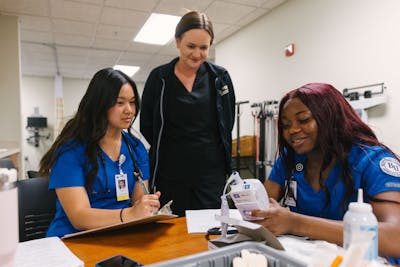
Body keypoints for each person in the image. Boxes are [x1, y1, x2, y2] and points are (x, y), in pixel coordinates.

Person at [250, 83, 400, 263]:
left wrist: (294, 223)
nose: (292, 131)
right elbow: (262, 205)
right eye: (285, 125)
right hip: (313, 258)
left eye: (304, 120)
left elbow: (396, 238)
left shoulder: (372, 161)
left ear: (331, 118)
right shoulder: (291, 160)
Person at [39, 68, 161, 237]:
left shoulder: (136, 147)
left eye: (132, 102)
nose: (129, 110)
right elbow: (78, 216)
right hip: (73, 239)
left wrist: (147, 205)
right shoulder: (70, 150)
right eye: (120, 103)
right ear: (100, 104)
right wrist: (130, 214)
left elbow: (138, 202)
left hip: (119, 235)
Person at [140, 11, 236, 216]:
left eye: (204, 48)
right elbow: (148, 125)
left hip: (210, 175)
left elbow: (227, 122)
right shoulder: (159, 78)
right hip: (170, 173)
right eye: (190, 46)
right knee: (171, 232)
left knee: (209, 230)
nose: (197, 54)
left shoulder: (220, 78)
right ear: (177, 42)